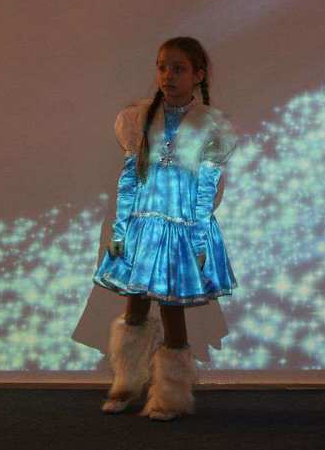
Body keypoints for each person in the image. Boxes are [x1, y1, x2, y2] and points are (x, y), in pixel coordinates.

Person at [92, 36, 237, 420]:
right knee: (135, 304)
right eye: (162, 67)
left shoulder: (210, 125)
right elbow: (129, 180)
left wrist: (199, 239)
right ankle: (126, 382)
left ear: (198, 75)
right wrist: (120, 231)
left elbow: (207, 189)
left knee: (173, 309)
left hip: (182, 231)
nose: (168, 75)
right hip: (144, 228)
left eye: (178, 69)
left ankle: (171, 393)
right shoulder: (139, 119)